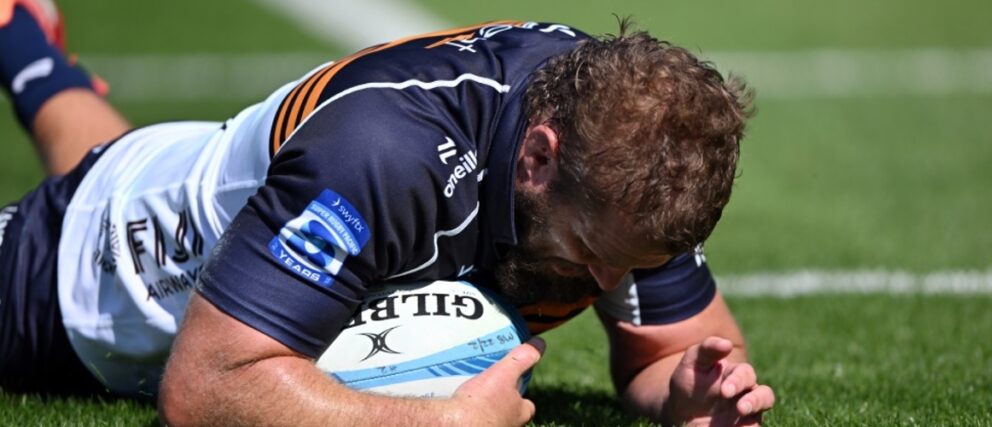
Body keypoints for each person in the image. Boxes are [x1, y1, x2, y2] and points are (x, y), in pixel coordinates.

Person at [0, 0, 775, 425]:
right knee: (102, 192)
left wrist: (687, 394)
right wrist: (439, 424)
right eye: (593, 250)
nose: (611, 280)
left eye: (632, 263)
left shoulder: (632, 150)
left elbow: (679, 349)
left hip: (205, 172)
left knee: (129, 158)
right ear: (536, 157)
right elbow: (203, 385)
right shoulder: (383, 156)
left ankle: (21, 39)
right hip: (80, 272)